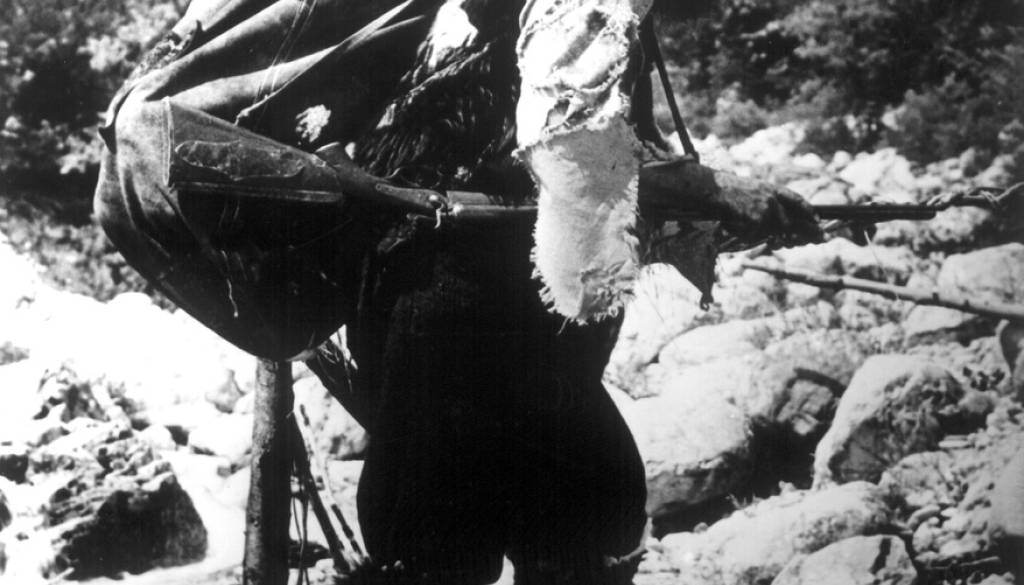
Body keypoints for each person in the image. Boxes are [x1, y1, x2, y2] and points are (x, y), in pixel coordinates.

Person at [93, 1, 821, 583]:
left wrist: (714, 202)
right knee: (530, 520)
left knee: (539, 511)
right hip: (462, 312)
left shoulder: (456, 17)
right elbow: (572, 150)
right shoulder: (577, 12)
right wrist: (718, 191)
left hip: (436, 307)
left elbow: (603, 145)